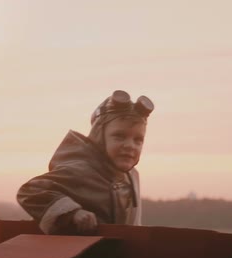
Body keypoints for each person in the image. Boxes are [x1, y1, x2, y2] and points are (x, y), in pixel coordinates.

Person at [16, 90, 154, 235]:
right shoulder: (80, 170)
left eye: (138, 140)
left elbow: (134, 226)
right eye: (119, 136)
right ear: (99, 137)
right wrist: (72, 212)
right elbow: (29, 191)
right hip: (79, 253)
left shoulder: (132, 177)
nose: (130, 145)